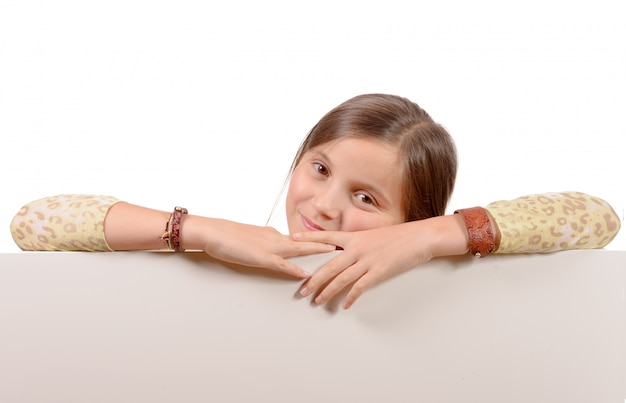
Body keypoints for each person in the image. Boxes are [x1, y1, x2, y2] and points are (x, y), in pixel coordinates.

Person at [10, 94, 621, 309]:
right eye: (319, 168)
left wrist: (437, 235)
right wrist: (196, 230)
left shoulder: (437, 256)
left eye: (364, 196)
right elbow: (31, 223)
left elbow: (599, 217)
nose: (324, 205)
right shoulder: (232, 253)